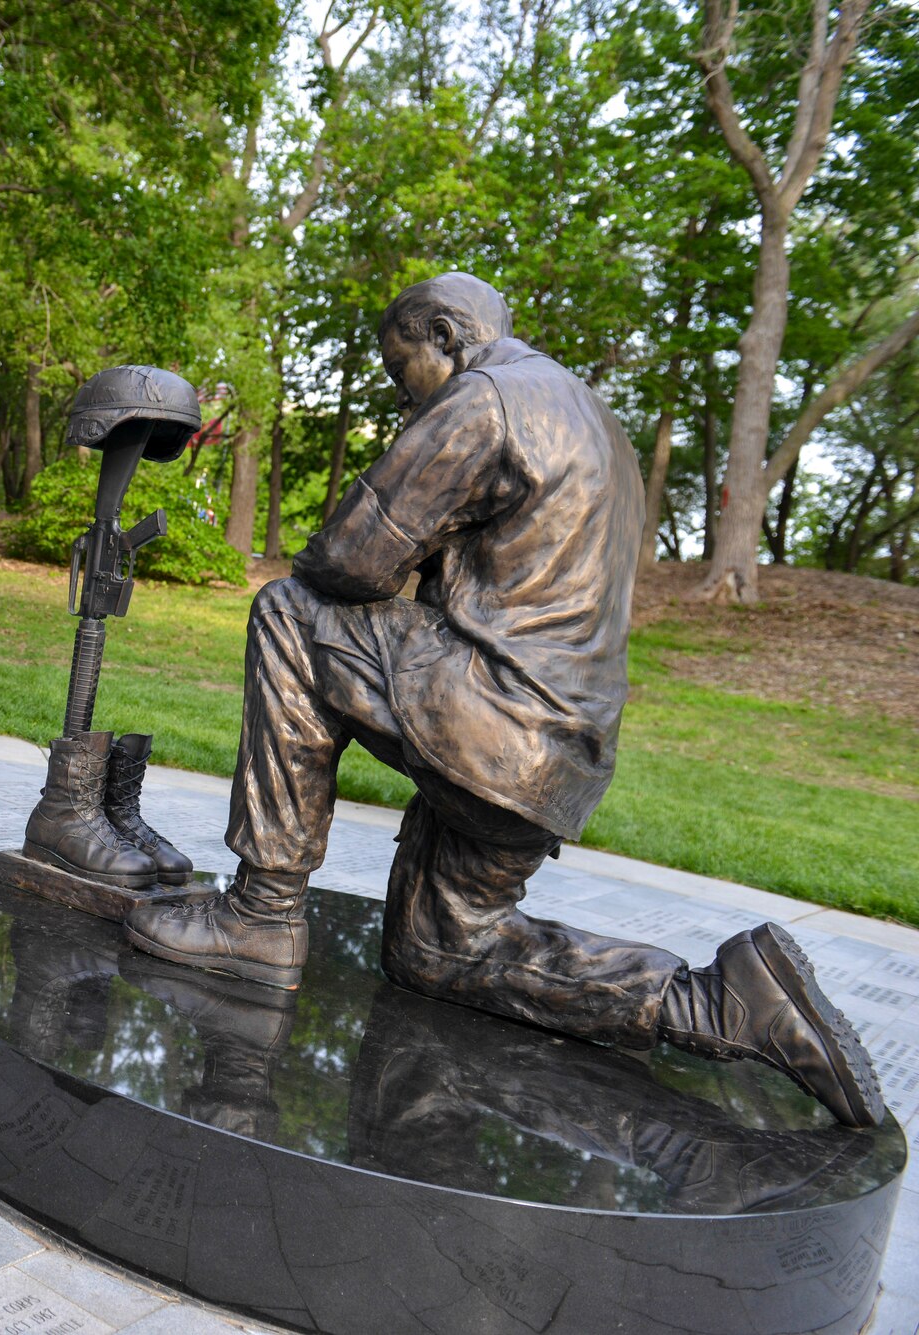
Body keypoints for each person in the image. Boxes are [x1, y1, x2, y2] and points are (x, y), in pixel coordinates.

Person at [124, 272, 886, 1128]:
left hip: (489, 712)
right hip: (556, 759)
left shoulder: (486, 398)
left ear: (445, 335)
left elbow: (349, 558)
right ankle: (717, 1002)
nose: (398, 386)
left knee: (290, 617)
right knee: (442, 949)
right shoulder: (592, 416)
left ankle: (261, 914)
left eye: (398, 362)